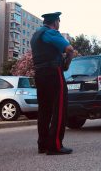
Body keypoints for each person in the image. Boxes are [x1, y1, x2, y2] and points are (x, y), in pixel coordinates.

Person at [31, 12, 77, 155]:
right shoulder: (52, 33)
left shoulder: (35, 35)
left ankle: (43, 144)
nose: (59, 24)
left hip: (39, 73)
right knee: (59, 108)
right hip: (53, 72)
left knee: (44, 110)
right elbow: (69, 50)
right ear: (55, 22)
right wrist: (67, 65)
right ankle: (55, 146)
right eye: (59, 21)